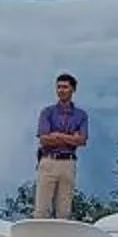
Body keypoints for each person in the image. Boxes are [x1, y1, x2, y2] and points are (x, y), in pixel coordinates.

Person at [34, 74, 88, 218]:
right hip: (49, 160)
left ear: (73, 89)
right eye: (58, 87)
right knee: (42, 208)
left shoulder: (80, 115)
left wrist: (57, 135)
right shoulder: (47, 112)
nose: (61, 90)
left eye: (65, 87)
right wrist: (70, 137)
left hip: (68, 162)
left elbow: (82, 140)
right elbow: (44, 139)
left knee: (64, 210)